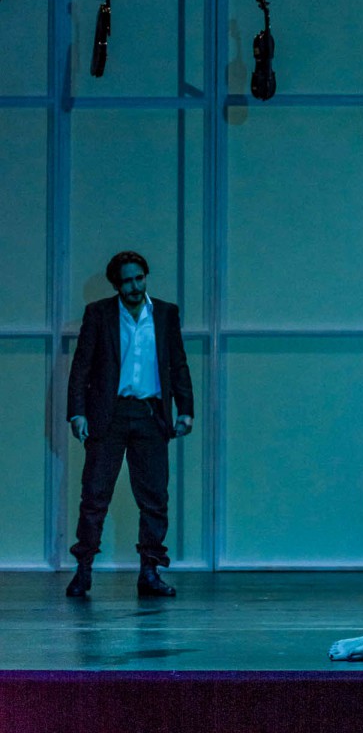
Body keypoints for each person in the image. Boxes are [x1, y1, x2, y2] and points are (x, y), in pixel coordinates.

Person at [65, 251, 194, 598]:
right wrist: (77, 412)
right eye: (127, 281)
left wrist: (185, 409)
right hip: (109, 415)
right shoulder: (99, 314)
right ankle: (83, 570)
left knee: (154, 498)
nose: (135, 286)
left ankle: (150, 571)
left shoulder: (165, 313)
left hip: (151, 415)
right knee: (95, 496)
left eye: (140, 278)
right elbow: (81, 367)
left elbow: (178, 364)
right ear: (116, 285)